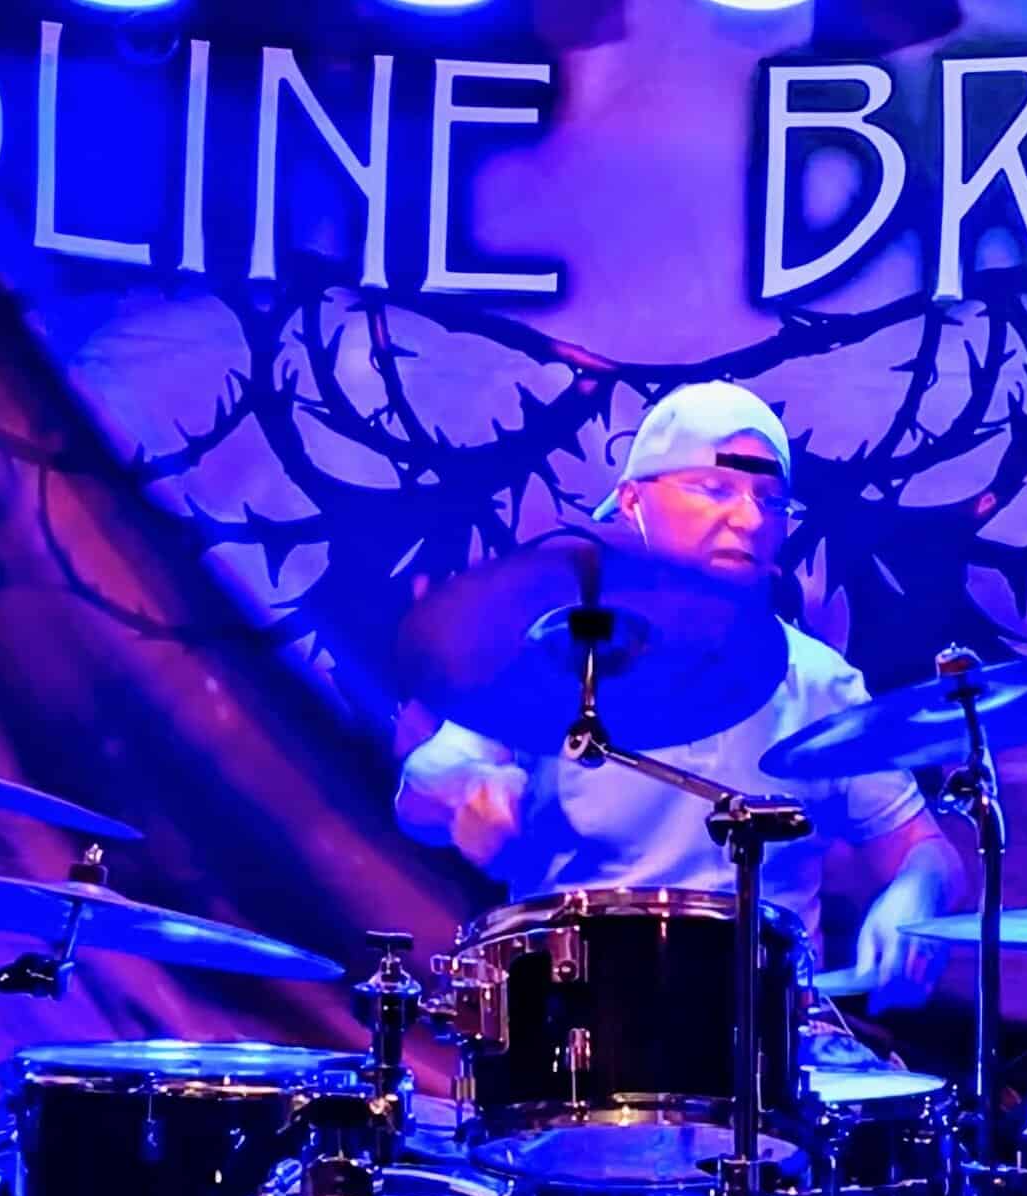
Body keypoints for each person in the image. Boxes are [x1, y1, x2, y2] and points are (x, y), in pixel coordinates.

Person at [395, 379, 963, 1007]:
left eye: (770, 499)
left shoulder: (818, 681)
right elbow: (419, 796)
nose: (749, 519)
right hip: (576, 1025)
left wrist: (916, 894)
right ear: (633, 501)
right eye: (714, 489)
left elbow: (924, 852)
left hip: (772, 1034)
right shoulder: (559, 652)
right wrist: (466, 785)